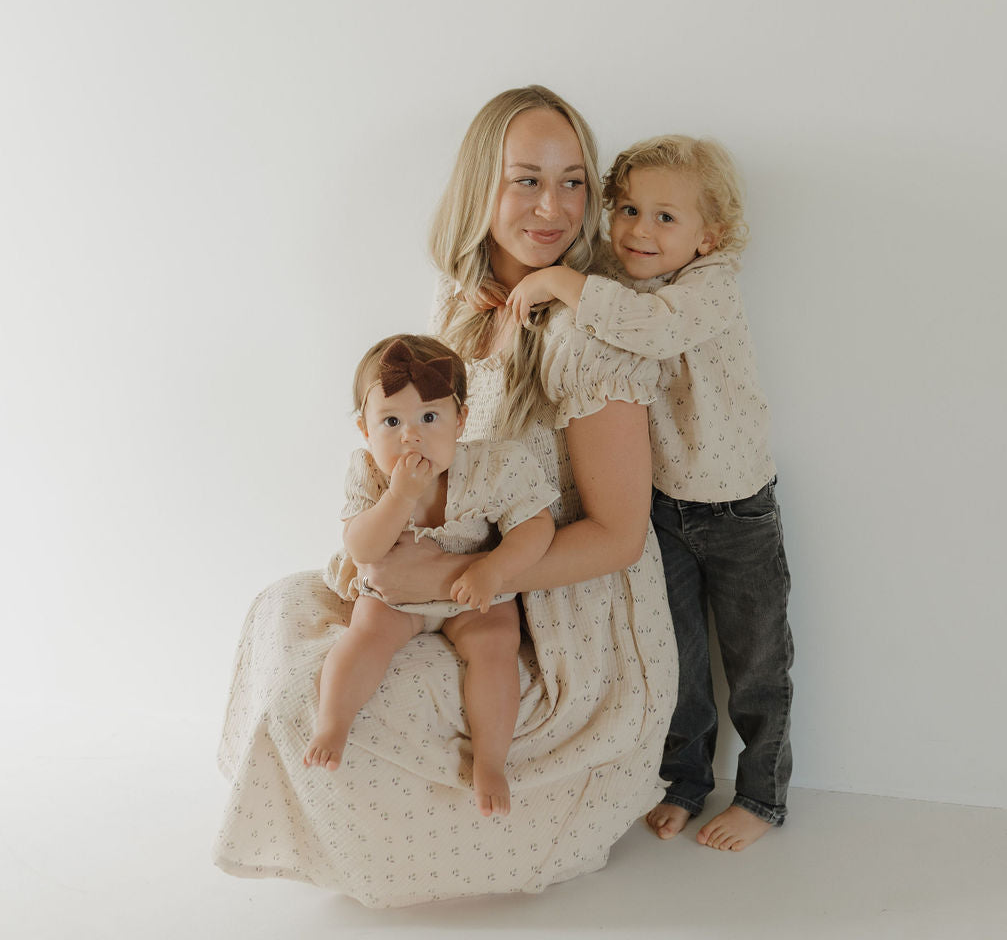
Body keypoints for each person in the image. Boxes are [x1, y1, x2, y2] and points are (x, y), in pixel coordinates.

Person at [214, 86, 676, 907]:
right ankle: (329, 826)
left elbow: (618, 535)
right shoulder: (459, 312)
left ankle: (440, 832)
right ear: (478, 187)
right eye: (525, 179)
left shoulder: (588, 333)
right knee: (281, 618)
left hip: (552, 612)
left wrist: (465, 578)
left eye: (573, 182)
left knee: (329, 692)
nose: (553, 207)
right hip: (451, 568)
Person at [506, 133, 794, 852]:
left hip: (736, 510)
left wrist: (556, 285)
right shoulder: (618, 280)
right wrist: (530, 285)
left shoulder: (708, 288)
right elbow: (584, 291)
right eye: (628, 209)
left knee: (758, 663)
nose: (639, 230)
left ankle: (762, 794)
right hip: (664, 507)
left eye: (666, 218)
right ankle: (685, 780)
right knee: (680, 661)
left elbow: (650, 329)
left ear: (710, 236)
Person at [306, 332, 557, 820]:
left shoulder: (494, 466)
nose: (410, 435)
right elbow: (362, 548)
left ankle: (489, 760)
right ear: (364, 429)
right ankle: (332, 725)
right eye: (391, 421)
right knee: (364, 636)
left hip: (474, 590)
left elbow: (536, 526)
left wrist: (494, 569)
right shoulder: (370, 474)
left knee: (494, 648)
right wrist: (397, 498)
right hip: (394, 599)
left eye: (429, 418)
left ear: (460, 420)